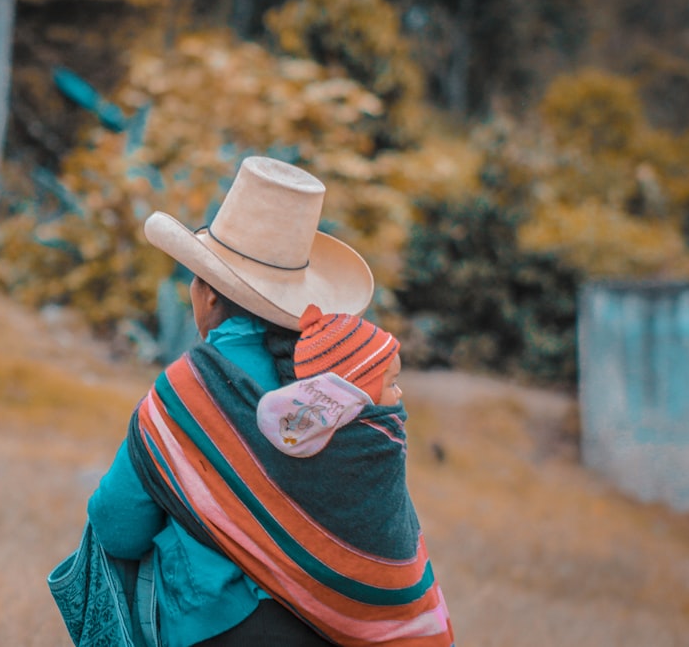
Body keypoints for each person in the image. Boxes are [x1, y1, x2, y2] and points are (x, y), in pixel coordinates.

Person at [83, 156, 454, 646]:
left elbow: (117, 528)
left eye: (194, 280)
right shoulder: (343, 378)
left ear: (209, 296)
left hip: (217, 631)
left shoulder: (189, 390)